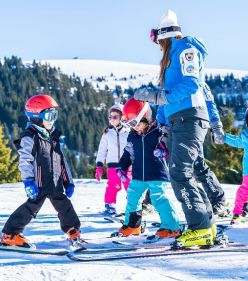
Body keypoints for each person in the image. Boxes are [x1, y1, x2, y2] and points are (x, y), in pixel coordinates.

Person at [134, 10, 224, 248]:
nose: (158, 47)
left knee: (180, 173)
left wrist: (157, 95)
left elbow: (193, 84)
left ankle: (200, 228)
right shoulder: (170, 58)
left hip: (190, 117)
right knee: (189, 170)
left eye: (158, 42)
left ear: (165, 37)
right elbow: (165, 100)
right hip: (177, 121)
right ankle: (206, 225)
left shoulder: (186, 48)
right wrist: (162, 127)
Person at [0, 94, 81, 247]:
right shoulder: (30, 137)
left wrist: (68, 182)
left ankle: (73, 230)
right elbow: (25, 161)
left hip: (55, 182)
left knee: (64, 205)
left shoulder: (53, 137)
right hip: (39, 183)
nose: (52, 120)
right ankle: (10, 234)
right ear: (36, 116)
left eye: (54, 115)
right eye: (49, 116)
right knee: (31, 207)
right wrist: (28, 182)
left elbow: (62, 161)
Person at [111, 98, 181, 239]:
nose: (133, 127)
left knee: (158, 199)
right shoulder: (133, 136)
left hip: (157, 173)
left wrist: (164, 149)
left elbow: (168, 142)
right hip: (139, 175)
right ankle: (133, 225)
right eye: (129, 124)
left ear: (146, 117)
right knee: (132, 197)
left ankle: (172, 227)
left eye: (135, 123)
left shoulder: (158, 131)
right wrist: (122, 167)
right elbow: (128, 153)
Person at [95, 104, 131, 215]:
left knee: (130, 186)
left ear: (122, 117)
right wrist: (99, 165)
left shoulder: (128, 131)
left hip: (127, 165)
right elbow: (102, 150)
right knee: (113, 185)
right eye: (110, 117)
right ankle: (109, 205)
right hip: (113, 165)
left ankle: (133, 207)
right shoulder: (107, 133)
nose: (112, 119)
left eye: (115, 117)